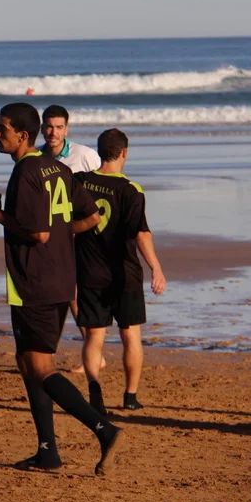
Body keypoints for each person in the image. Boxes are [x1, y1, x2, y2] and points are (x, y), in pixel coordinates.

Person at [0, 103, 123, 476]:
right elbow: (91, 217)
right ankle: (47, 452)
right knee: (27, 363)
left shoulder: (26, 171)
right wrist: (60, 233)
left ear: (22, 135)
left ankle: (104, 429)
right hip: (60, 279)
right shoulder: (58, 168)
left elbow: (39, 233)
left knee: (40, 366)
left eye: (2, 129)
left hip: (35, 281)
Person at [74, 129, 167, 415]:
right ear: (124, 153)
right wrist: (156, 268)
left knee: (94, 336)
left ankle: (95, 393)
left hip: (89, 272)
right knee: (131, 335)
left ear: (99, 151)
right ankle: (130, 396)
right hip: (124, 274)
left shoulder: (80, 181)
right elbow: (141, 234)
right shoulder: (131, 190)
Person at [42, 104, 104, 372]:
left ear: (66, 129)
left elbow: (105, 185)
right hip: (53, 237)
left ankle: (94, 354)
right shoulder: (37, 157)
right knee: (65, 294)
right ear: (42, 128)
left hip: (84, 234)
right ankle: (87, 353)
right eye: (49, 127)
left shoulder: (84, 155)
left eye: (58, 127)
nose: (53, 133)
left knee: (74, 293)